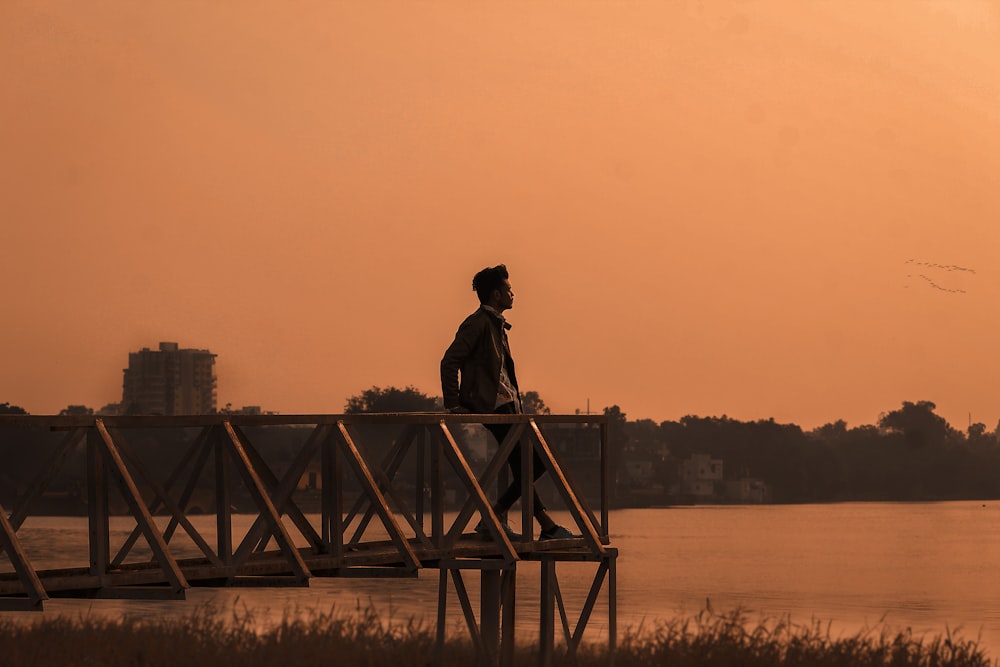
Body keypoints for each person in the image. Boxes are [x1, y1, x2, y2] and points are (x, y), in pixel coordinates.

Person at [440, 264, 578, 541]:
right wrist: (454, 404)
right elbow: (449, 361)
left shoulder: (495, 324)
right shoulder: (478, 323)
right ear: (495, 295)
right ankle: (507, 519)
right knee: (534, 465)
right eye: (508, 290)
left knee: (525, 465)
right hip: (494, 407)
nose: (513, 294)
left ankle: (534, 524)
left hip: (508, 407)